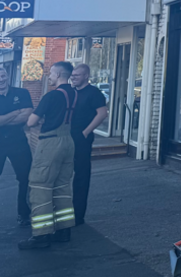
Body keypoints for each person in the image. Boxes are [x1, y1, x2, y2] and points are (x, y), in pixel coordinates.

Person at [19, 62, 77, 249]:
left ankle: (42, 235)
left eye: (51, 73)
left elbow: (31, 121)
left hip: (50, 142)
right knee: (62, 187)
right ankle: (64, 230)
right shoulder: (74, 94)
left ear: (59, 73)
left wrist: (37, 120)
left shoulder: (51, 95)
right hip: (68, 141)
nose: (49, 76)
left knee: (40, 186)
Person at [59, 63, 107, 226]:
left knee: (81, 176)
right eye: (72, 75)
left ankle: (78, 215)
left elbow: (102, 114)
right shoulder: (71, 92)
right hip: (65, 136)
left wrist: (86, 132)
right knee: (62, 174)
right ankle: (62, 211)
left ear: (86, 76)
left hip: (82, 138)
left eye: (77, 75)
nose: (73, 78)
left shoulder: (94, 93)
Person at [0, 64, 33, 227]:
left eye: (3, 75)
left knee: (26, 177)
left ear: (7, 76)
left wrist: (3, 119)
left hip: (18, 141)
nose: (1, 79)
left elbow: (27, 115)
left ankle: (24, 214)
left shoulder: (22, 92)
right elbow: (20, 114)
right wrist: (15, 113)